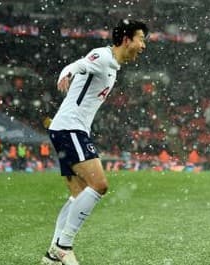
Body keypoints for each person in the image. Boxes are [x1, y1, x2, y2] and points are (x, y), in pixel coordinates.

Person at [41, 19, 148, 265]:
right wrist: (66, 73)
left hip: (68, 129)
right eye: (141, 39)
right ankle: (63, 246)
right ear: (126, 40)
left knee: (78, 195)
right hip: (70, 129)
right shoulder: (102, 56)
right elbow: (77, 65)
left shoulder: (114, 67)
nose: (143, 45)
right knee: (99, 185)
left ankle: (52, 256)